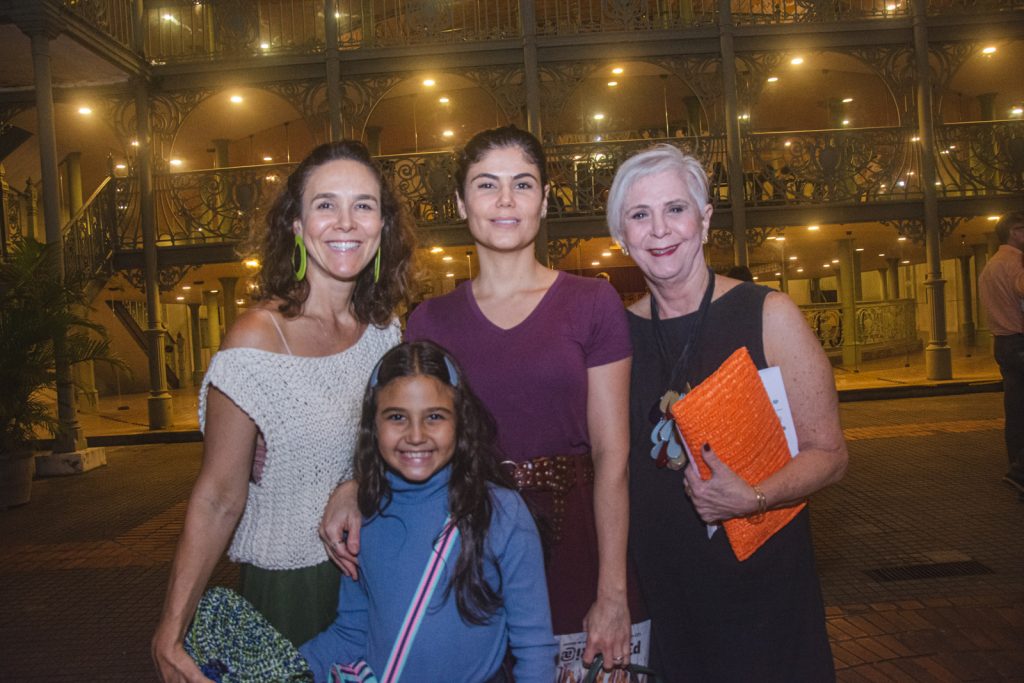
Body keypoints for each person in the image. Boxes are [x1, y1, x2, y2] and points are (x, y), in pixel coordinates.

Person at [322, 125, 641, 674]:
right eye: (487, 185)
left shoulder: (593, 303)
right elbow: (401, 431)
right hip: (466, 549)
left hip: (578, 542)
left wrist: (611, 591)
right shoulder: (430, 320)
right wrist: (352, 485)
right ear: (461, 202)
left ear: (544, 199)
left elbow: (613, 456)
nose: (506, 201)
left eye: (523, 184)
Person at [152, 140, 414, 682]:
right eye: (325, 205)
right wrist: (170, 630)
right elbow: (219, 495)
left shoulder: (388, 334)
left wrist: (354, 482)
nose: (346, 222)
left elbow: (404, 449)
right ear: (296, 226)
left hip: (380, 574)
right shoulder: (257, 339)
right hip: (293, 587)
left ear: (383, 226)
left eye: (364, 205)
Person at [607, 144, 847, 681]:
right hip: (662, 591)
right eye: (639, 215)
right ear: (622, 236)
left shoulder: (769, 315)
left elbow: (830, 454)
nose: (660, 230)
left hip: (762, 583)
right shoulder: (616, 338)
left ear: (705, 218)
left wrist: (755, 497)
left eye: (675, 209)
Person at [300, 341, 556, 682]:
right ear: (373, 425)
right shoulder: (364, 518)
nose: (416, 435)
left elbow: (534, 647)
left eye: (434, 416)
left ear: (460, 421)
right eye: (396, 417)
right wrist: (276, 669)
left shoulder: (501, 514)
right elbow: (352, 633)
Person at [978, 211, 1024, 497]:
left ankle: (1017, 467)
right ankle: (1020, 472)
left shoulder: (991, 265)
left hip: (1004, 343)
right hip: (1020, 340)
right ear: (1014, 232)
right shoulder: (1015, 262)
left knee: (1016, 409)